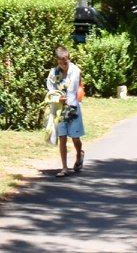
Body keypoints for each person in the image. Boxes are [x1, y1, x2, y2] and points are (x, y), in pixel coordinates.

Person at [46, 45, 85, 176]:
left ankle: (79, 154)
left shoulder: (75, 71)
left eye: (66, 60)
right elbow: (50, 89)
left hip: (72, 108)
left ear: (69, 58)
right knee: (62, 137)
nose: (64, 63)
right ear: (57, 60)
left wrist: (66, 100)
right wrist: (57, 98)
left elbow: (72, 90)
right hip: (59, 109)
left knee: (75, 138)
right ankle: (64, 168)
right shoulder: (53, 72)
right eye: (61, 60)